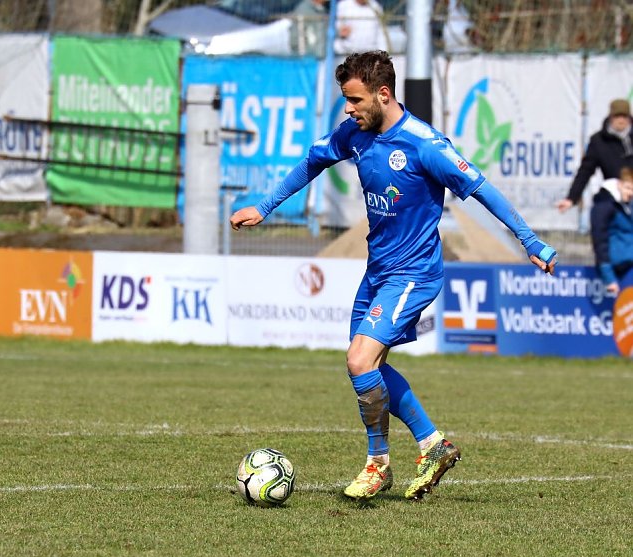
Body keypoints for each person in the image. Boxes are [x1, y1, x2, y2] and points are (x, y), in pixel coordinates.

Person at [230, 51, 557, 501]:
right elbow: (312, 161)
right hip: (379, 269)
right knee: (368, 364)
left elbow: (483, 190)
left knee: (360, 361)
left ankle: (378, 463)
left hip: (414, 273)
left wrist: (530, 241)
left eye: (354, 99)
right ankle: (430, 446)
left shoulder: (426, 145)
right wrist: (264, 207)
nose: (348, 109)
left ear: (383, 94)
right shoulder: (355, 134)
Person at [557, 98, 633, 213]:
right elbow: (585, 171)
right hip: (613, 200)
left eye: (624, 116)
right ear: (611, 117)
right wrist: (571, 198)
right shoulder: (599, 141)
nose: (621, 120)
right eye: (617, 116)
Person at [591, 166, 633, 295]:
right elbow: (600, 241)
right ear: (619, 184)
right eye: (628, 188)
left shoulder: (626, 206)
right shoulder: (604, 205)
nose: (631, 193)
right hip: (618, 271)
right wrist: (609, 277)